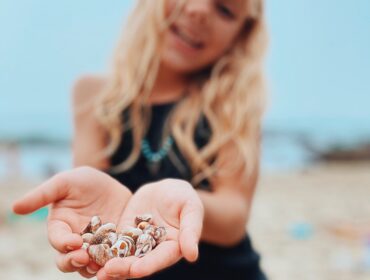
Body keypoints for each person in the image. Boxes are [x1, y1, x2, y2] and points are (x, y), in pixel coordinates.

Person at [13, 0, 268, 279]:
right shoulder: (95, 95)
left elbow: (234, 218)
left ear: (241, 34)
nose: (199, 10)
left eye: (225, 9)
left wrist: (184, 201)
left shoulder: (232, 104)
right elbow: (93, 194)